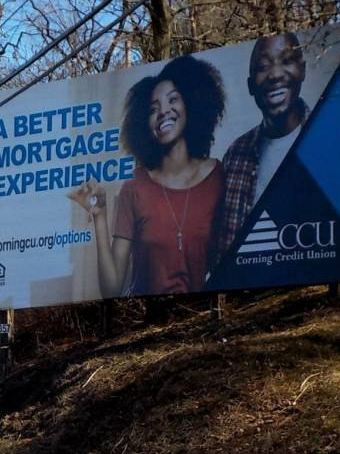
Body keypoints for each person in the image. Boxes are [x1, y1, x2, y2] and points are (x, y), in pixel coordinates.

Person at [69, 55, 226, 297]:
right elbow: (112, 289)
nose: (163, 112)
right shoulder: (135, 186)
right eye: (153, 109)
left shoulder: (218, 176)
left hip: (204, 316)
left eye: (173, 99)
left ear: (191, 104)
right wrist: (99, 220)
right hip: (144, 318)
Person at [214, 32, 308, 256]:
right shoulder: (236, 153)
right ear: (250, 85)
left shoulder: (324, 141)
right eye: (263, 67)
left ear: (302, 69)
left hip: (301, 275)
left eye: (286, 61)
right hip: (241, 283)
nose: (275, 75)